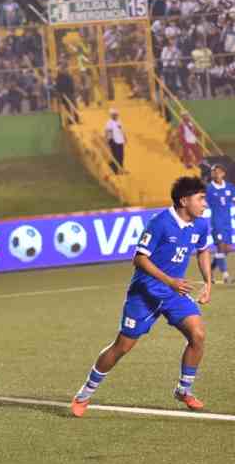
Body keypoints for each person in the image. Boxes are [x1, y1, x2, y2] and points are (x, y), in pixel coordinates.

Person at [70, 176, 212, 417]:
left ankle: (183, 390)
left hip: (174, 294)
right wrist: (169, 281)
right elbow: (139, 258)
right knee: (122, 347)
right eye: (200, 199)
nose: (205, 204)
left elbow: (203, 250)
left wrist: (208, 283)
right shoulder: (160, 223)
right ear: (184, 200)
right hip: (145, 294)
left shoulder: (200, 223)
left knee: (197, 335)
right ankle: (85, 393)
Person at [206, 164, 234, 284]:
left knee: (226, 249)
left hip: (227, 223)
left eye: (218, 172)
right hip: (216, 223)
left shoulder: (229, 187)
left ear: (223, 173)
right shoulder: (209, 189)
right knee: (221, 247)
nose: (215, 174)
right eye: (213, 172)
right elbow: (203, 202)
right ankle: (225, 275)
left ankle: (209, 271)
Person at [104, 108, 125, 174]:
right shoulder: (109, 123)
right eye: (114, 115)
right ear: (111, 115)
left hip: (119, 140)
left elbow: (121, 130)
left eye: (116, 114)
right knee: (116, 155)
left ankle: (121, 168)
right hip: (113, 140)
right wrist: (107, 140)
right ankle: (115, 169)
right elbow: (107, 131)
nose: (116, 116)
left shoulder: (119, 122)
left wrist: (124, 137)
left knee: (121, 155)